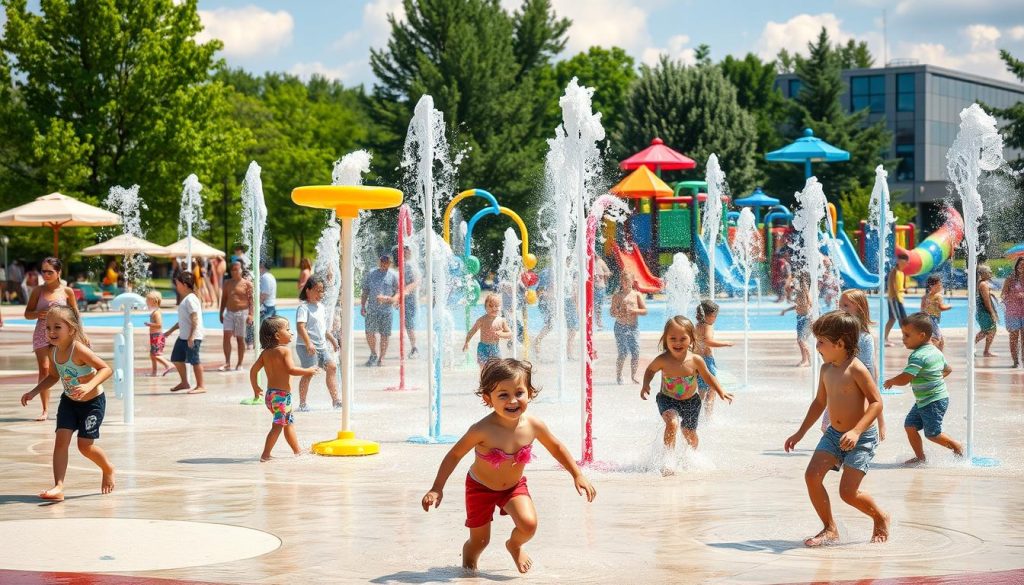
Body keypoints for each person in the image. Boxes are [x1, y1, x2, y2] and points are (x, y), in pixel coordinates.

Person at [421, 358, 596, 573]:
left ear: (529, 393)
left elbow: (556, 447)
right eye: (503, 395)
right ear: (488, 398)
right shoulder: (482, 429)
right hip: (479, 488)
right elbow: (454, 455)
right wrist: (437, 487)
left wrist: (577, 474)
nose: (513, 401)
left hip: (513, 487)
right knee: (480, 542)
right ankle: (468, 569)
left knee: (529, 525)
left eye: (519, 393)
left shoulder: (533, 425)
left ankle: (514, 545)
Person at [784, 310, 888, 547]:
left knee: (848, 493)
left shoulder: (857, 369)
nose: (817, 346)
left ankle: (880, 516)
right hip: (834, 434)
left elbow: (876, 402)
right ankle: (829, 528)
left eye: (821, 341)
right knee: (811, 476)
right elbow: (820, 402)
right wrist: (800, 433)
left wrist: (857, 431)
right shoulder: (826, 369)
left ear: (840, 343)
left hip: (861, 437)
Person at [20, 306, 115, 500]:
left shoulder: (78, 349)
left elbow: (106, 369)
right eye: (48, 328)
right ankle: (58, 487)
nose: (51, 332)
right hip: (69, 402)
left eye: (57, 327)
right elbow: (53, 376)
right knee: (60, 442)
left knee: (84, 446)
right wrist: (34, 391)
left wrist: (89, 386)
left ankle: (107, 468)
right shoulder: (53, 352)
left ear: (71, 329)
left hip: (92, 403)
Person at [640, 316, 734, 460]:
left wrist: (721, 391)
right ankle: (668, 459)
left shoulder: (695, 360)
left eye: (683, 339)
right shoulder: (663, 360)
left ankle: (693, 456)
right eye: (673, 339)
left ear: (691, 338)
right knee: (672, 423)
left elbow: (708, 376)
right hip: (667, 399)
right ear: (665, 339)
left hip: (691, 401)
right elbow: (650, 370)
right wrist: (646, 384)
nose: (678, 343)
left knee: (688, 432)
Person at [884, 312, 964, 464]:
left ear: (921, 336)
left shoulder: (918, 356)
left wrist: (892, 381)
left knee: (932, 434)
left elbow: (906, 377)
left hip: (933, 400)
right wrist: (934, 379)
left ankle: (956, 446)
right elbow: (948, 369)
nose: (903, 338)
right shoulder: (935, 351)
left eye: (907, 335)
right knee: (910, 426)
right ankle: (921, 458)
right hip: (927, 399)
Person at [250, 316, 317, 461]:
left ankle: (297, 450)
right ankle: (265, 455)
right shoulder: (284, 351)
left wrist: (256, 388)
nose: (291, 333)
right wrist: (308, 371)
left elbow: (253, 370)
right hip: (281, 396)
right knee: (278, 426)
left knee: (287, 423)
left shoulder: (265, 353)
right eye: (288, 330)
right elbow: (291, 370)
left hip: (271, 395)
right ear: (277, 335)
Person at [24, 257, 81, 421]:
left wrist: (80, 334)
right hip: (42, 332)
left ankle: (77, 401)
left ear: (58, 272)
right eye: (44, 271)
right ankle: (45, 410)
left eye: (50, 271)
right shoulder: (38, 291)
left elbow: (75, 314)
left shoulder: (67, 291)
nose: (46, 275)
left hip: (62, 334)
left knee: (68, 368)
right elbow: (27, 314)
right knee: (44, 369)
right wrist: (37, 314)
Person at [828, 289, 887, 439]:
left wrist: (880, 419)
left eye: (846, 306)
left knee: (861, 415)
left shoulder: (865, 338)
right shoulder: (838, 333)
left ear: (859, 308)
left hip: (858, 385)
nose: (842, 309)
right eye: (840, 305)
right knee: (827, 424)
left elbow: (869, 373)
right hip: (839, 385)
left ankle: (878, 425)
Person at [296, 275, 341, 410]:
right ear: (308, 291)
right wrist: (309, 343)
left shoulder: (321, 307)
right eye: (317, 290)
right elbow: (300, 327)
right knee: (309, 373)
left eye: (322, 291)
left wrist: (332, 339)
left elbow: (323, 329)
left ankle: (336, 401)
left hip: (321, 347)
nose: (321, 294)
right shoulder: (304, 308)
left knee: (332, 367)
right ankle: (302, 404)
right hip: (305, 346)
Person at [165, 271, 206, 394]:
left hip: (192, 337)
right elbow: (182, 321)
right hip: (183, 336)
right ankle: (184, 382)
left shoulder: (191, 299)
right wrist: (169, 331)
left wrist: (192, 336)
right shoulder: (186, 299)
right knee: (176, 359)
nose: (176, 286)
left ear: (184, 284)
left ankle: (201, 386)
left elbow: (195, 318)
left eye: (177, 284)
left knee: (195, 360)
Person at [695, 301, 733, 414]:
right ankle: (708, 417)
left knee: (701, 389)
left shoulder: (697, 326)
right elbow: (708, 341)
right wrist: (725, 344)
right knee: (712, 389)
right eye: (714, 316)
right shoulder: (707, 326)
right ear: (706, 315)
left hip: (698, 361)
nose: (715, 318)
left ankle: (698, 415)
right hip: (707, 361)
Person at [361, 253, 398, 367]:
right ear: (379, 261)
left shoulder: (393, 276)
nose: (384, 263)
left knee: (384, 335)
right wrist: (362, 306)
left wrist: (389, 299)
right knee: (369, 333)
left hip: (386, 311)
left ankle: (381, 357)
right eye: (382, 261)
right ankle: (373, 353)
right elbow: (366, 290)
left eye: (386, 262)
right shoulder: (371, 274)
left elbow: (398, 292)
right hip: (372, 309)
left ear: (390, 263)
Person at [610, 271, 647, 385]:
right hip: (620, 326)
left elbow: (644, 311)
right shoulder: (617, 296)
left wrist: (634, 311)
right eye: (623, 280)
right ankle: (619, 375)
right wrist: (616, 312)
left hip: (633, 327)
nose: (625, 283)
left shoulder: (637, 295)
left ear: (632, 281)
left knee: (635, 352)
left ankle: (633, 375)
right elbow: (612, 312)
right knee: (622, 353)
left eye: (627, 280)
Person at [218, 261, 253, 371]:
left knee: (239, 338)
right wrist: (221, 312)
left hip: (241, 312)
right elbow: (224, 299)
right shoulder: (227, 283)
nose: (234, 271)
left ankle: (239, 363)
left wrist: (251, 314)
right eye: (232, 269)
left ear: (241, 270)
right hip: (229, 313)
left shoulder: (247, 284)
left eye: (237, 269)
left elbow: (252, 301)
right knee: (226, 336)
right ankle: (227, 363)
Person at [464, 293, 512, 366]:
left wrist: (501, 334)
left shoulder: (502, 320)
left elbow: (509, 334)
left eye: (496, 306)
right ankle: (483, 377)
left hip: (495, 347)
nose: (494, 308)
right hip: (483, 348)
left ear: (500, 307)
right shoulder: (481, 320)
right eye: (490, 306)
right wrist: (467, 342)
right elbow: (472, 331)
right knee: (483, 368)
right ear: (485, 308)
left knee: (497, 367)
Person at [781, 272, 812, 367]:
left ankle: (811, 360)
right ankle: (805, 359)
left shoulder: (805, 292)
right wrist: (786, 310)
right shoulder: (799, 292)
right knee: (799, 340)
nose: (793, 283)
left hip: (807, 318)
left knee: (802, 340)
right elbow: (797, 305)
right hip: (800, 318)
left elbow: (810, 304)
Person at [396, 246, 419, 357]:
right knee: (407, 324)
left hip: (409, 299)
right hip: (405, 298)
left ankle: (415, 348)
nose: (404, 253)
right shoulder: (404, 265)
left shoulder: (410, 265)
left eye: (406, 251)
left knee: (409, 324)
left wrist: (403, 292)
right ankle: (413, 347)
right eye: (403, 251)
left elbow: (416, 282)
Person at [144, 291, 174, 377]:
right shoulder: (154, 312)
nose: (146, 302)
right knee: (152, 355)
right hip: (154, 337)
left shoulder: (157, 313)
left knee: (156, 355)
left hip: (157, 337)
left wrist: (150, 324)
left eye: (147, 300)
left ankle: (168, 364)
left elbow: (159, 325)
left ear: (154, 301)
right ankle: (154, 372)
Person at [1001, 257, 1024, 367]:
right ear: (1016, 266)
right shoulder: (1010, 279)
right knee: (1014, 337)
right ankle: (1015, 361)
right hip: (1012, 312)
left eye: (1023, 265)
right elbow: (1003, 295)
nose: (1021, 267)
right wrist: (1012, 296)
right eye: (1020, 265)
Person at [883, 252, 910, 347]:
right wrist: (894, 297)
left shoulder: (902, 273)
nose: (906, 263)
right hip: (894, 299)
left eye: (906, 261)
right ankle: (887, 338)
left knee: (898, 319)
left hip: (899, 299)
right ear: (899, 261)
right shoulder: (894, 271)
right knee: (897, 319)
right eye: (904, 261)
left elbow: (900, 287)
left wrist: (904, 290)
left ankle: (904, 338)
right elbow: (892, 285)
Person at [921, 274, 952, 352]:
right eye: (939, 285)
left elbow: (922, 309)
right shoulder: (938, 296)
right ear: (932, 286)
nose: (941, 286)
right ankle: (930, 352)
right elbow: (941, 308)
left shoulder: (925, 296)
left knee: (941, 340)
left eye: (940, 284)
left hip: (926, 319)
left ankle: (939, 355)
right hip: (932, 319)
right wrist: (950, 306)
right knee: (937, 337)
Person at [974, 264, 999, 357]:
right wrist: (992, 313)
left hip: (981, 311)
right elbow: (986, 301)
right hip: (984, 311)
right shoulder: (983, 284)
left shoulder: (981, 283)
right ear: (983, 273)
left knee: (987, 330)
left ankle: (980, 349)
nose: (991, 273)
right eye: (989, 271)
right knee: (988, 330)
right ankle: (983, 351)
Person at [593, 255, 611, 330]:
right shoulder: (586, 261)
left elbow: (608, 272)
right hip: (590, 288)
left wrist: (601, 275)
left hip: (600, 287)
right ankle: (590, 322)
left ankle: (598, 322)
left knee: (598, 307)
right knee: (590, 306)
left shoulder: (600, 262)